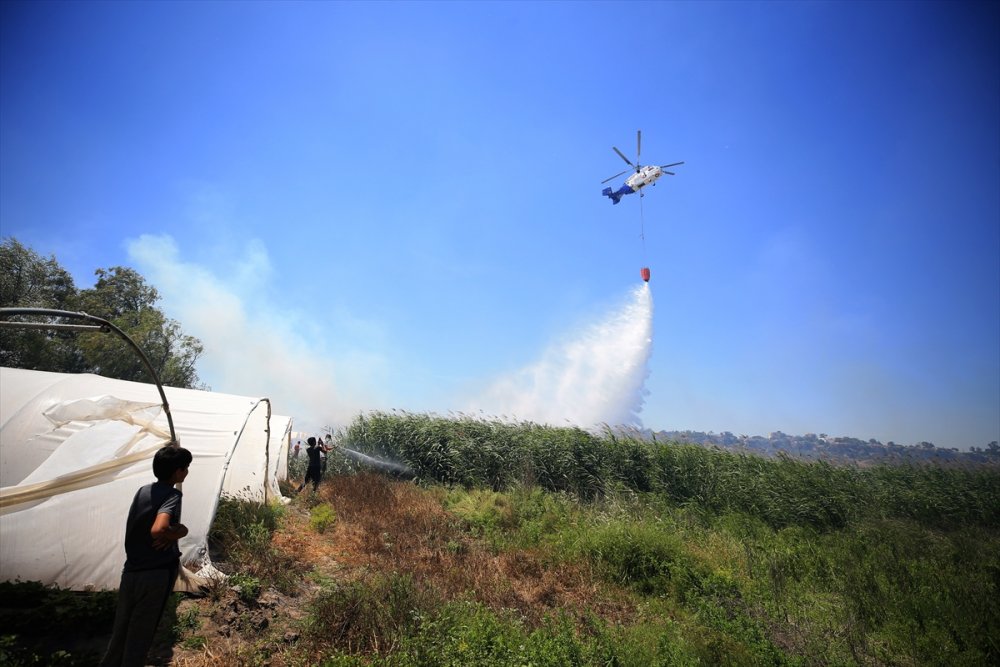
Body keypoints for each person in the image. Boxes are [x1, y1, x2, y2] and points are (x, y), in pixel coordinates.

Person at [100, 445, 193, 667]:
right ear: (178, 472)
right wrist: (178, 532)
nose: (187, 472)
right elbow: (158, 529)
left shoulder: (143, 491)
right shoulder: (173, 494)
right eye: (186, 468)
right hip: (156, 574)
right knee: (140, 636)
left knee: (120, 632)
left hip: (132, 570)